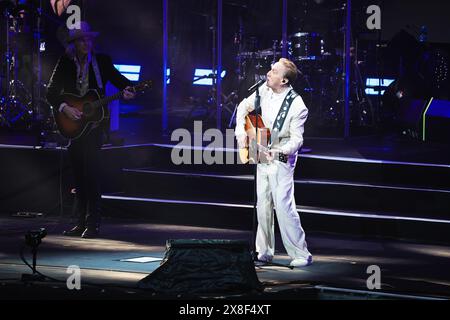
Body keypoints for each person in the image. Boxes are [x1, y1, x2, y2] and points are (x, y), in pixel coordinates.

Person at [46, 21, 136, 238]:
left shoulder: (102, 61)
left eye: (88, 39)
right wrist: (65, 108)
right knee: (78, 175)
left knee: (92, 173)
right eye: (82, 40)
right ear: (74, 43)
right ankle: (78, 222)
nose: (87, 43)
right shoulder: (65, 62)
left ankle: (93, 223)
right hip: (73, 126)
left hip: (94, 125)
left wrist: (130, 90)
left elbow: (120, 81)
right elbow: (51, 92)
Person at [235, 58, 312, 267]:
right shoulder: (263, 90)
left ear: (284, 80)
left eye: (274, 71)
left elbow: (297, 139)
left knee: (283, 205)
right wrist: (240, 131)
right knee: (263, 204)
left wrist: (279, 150)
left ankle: (301, 253)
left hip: (281, 157)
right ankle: (264, 250)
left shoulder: (297, 105)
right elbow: (243, 106)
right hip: (261, 150)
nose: (269, 73)